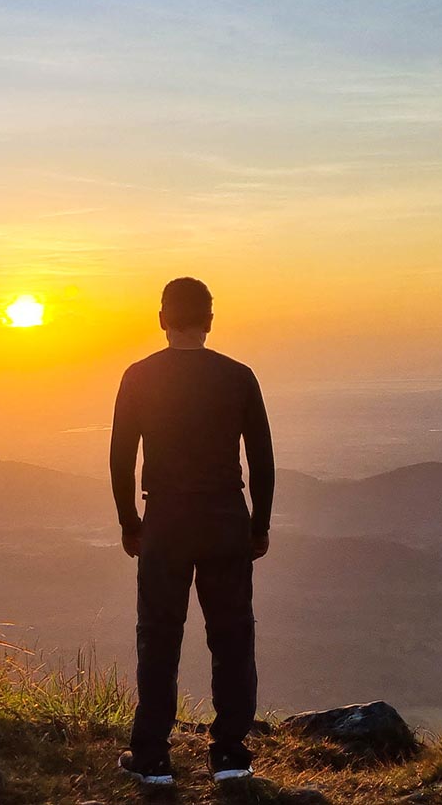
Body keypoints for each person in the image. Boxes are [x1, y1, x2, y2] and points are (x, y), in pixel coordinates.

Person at [109, 277, 275, 786]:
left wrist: (129, 523)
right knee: (231, 636)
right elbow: (262, 460)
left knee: (158, 637)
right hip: (225, 518)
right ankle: (230, 754)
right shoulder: (238, 376)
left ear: (162, 319)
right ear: (210, 319)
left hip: (166, 520)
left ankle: (153, 757)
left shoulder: (138, 377)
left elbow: (121, 458)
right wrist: (258, 526)